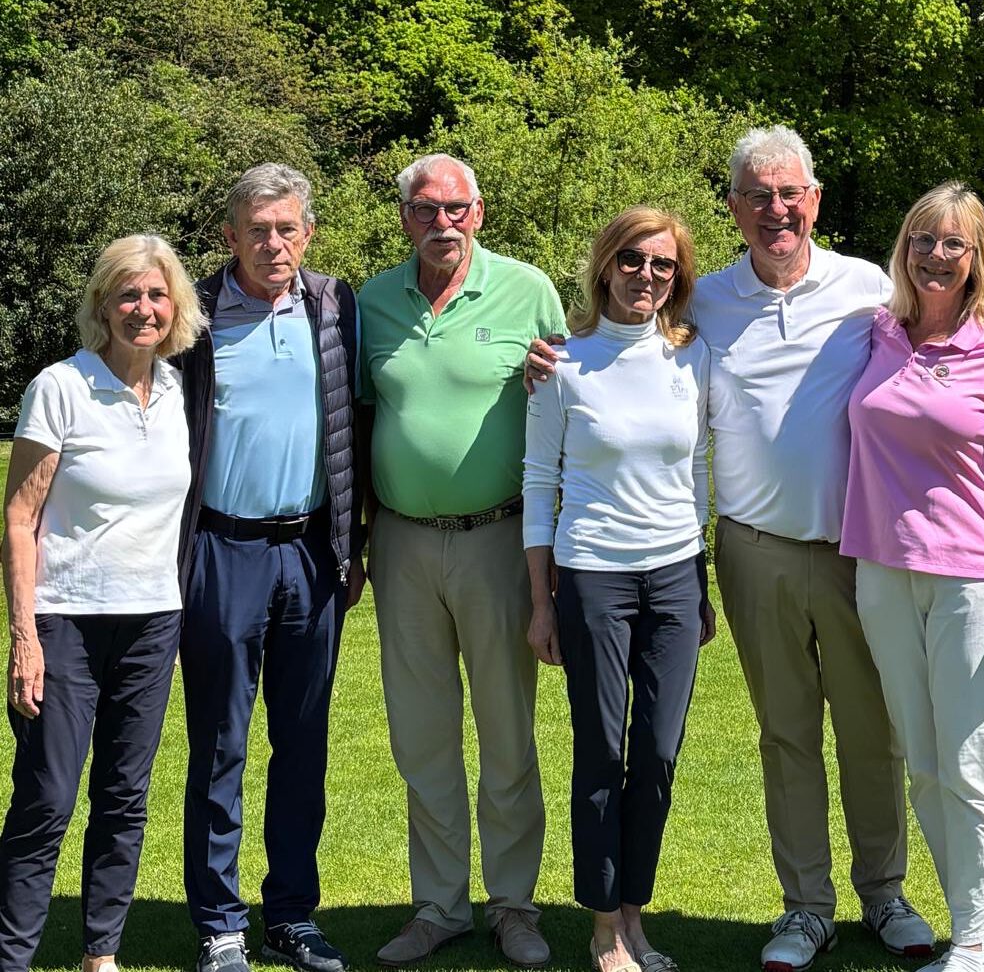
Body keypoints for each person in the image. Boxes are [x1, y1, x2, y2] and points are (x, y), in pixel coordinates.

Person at [527, 126, 984, 971]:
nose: (777, 210)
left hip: (859, 549)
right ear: (734, 207)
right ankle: (806, 907)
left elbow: (958, 310)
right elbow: (622, 347)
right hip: (752, 549)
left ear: (815, 200)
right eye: (758, 195)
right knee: (787, 733)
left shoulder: (869, 288)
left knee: (874, 731)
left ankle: (884, 893)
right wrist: (547, 357)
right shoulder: (703, 302)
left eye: (790, 194)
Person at [842, 182, 984, 972]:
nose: (936, 255)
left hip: (976, 580)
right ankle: (973, 928)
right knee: (925, 765)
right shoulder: (877, 331)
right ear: (904, 247)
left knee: (969, 764)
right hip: (881, 572)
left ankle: (975, 943)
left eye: (954, 243)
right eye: (923, 239)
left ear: (976, 258)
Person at [358, 153, 564, 968]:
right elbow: (356, 422)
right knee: (422, 734)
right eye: (425, 209)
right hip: (401, 541)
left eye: (455, 209)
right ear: (404, 217)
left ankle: (513, 905)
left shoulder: (527, 289)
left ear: (478, 213)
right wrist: (356, 541)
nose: (441, 223)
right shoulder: (372, 301)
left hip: (499, 539)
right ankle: (439, 905)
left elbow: (565, 413)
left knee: (507, 730)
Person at [176, 163, 363, 972]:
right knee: (221, 744)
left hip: (312, 553)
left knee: (303, 742)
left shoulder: (336, 305)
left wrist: (353, 544)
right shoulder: (193, 316)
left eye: (287, 228)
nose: (273, 243)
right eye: (257, 230)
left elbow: (359, 422)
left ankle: (290, 913)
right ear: (230, 236)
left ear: (308, 233)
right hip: (222, 551)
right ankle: (221, 923)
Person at [0, 234, 201, 972]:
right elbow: (19, 517)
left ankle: (101, 954)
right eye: (128, 295)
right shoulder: (61, 386)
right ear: (102, 305)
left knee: (124, 796)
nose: (143, 309)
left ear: (174, 306)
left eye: (156, 295)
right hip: (65, 622)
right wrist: (24, 635)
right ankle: (11, 956)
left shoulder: (180, 393)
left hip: (153, 622)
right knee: (48, 798)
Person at [523, 207, 715, 972]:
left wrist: (700, 582)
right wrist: (542, 602)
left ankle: (636, 912)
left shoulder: (693, 356)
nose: (646, 275)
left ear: (678, 276)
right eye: (632, 259)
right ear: (606, 265)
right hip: (592, 576)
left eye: (663, 264)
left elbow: (698, 473)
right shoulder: (561, 363)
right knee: (602, 749)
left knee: (658, 752)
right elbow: (538, 483)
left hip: (676, 577)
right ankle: (604, 927)